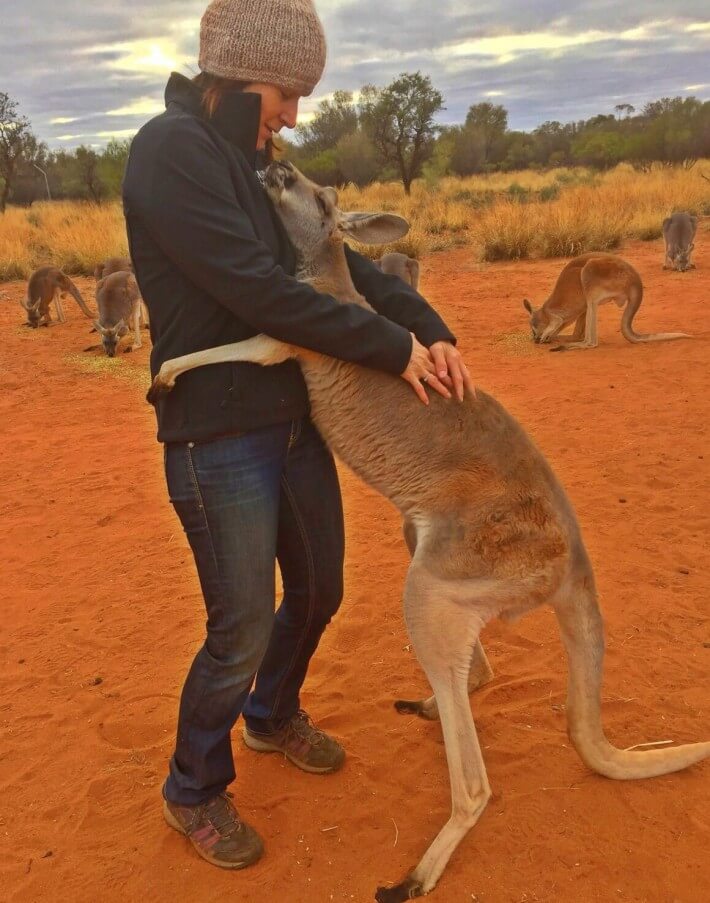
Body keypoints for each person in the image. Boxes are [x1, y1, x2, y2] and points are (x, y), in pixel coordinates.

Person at [122, 0, 474, 871]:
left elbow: (337, 269)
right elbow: (260, 293)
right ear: (243, 74)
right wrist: (393, 351)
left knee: (319, 590)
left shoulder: (255, 160)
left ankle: (272, 714)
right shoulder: (172, 155)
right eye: (286, 92)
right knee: (238, 624)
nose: (293, 113)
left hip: (291, 419)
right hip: (216, 434)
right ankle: (193, 788)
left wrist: (430, 327)